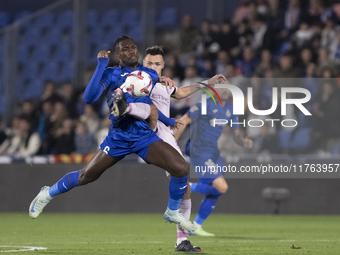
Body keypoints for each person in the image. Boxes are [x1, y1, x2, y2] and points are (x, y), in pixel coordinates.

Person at [29, 35, 196, 234]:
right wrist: (100, 65)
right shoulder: (110, 74)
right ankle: (47, 193)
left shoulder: (149, 74)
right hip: (119, 137)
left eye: (133, 47)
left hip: (144, 136)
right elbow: (89, 98)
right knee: (86, 176)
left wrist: (167, 119)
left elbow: (150, 106)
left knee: (181, 168)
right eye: (125, 49)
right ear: (117, 55)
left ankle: (172, 211)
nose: (131, 51)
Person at [143, 45, 226, 252]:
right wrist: (150, 77)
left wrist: (208, 83)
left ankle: (182, 241)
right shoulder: (138, 80)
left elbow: (180, 93)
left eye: (157, 64)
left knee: (184, 186)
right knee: (183, 180)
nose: (153, 66)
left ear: (163, 66)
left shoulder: (165, 85)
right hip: (149, 138)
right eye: (149, 63)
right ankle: (173, 217)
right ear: (143, 64)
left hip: (165, 137)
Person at [174, 86, 253, 236]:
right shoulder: (205, 104)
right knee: (221, 186)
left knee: (216, 191)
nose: (225, 89)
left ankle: (195, 226)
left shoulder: (230, 108)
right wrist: (173, 142)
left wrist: (243, 142)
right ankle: (187, 186)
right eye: (221, 86)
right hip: (199, 149)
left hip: (213, 152)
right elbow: (184, 120)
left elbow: (236, 134)